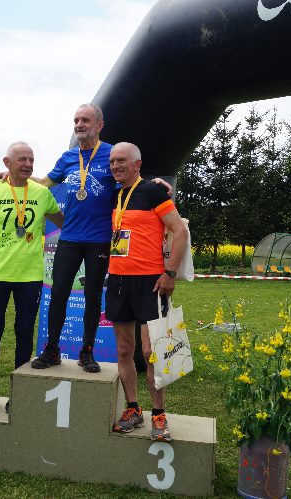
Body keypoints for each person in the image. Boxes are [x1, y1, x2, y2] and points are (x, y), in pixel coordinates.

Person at [26, 104, 172, 373]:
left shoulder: (111, 154)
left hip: (100, 239)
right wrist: (15, 176)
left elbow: (132, 178)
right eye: (76, 120)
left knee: (93, 296)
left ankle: (87, 351)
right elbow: (44, 184)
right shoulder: (68, 157)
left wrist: (156, 183)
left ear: (99, 125)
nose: (79, 124)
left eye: (85, 120)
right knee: (58, 294)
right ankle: (52, 350)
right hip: (70, 237)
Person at [0, 142, 64, 414]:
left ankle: (19, 390)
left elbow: (64, 222)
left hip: (30, 277)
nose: (27, 164)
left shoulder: (41, 193)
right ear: (6, 162)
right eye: (22, 159)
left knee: (24, 332)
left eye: (31, 159)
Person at [105, 142, 187, 442]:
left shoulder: (153, 192)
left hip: (150, 282)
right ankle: (133, 409)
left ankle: (158, 414)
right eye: (112, 161)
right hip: (118, 280)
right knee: (124, 350)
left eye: (121, 161)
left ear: (137, 164)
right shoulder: (114, 194)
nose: (115, 166)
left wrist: (170, 273)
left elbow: (180, 230)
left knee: (151, 352)